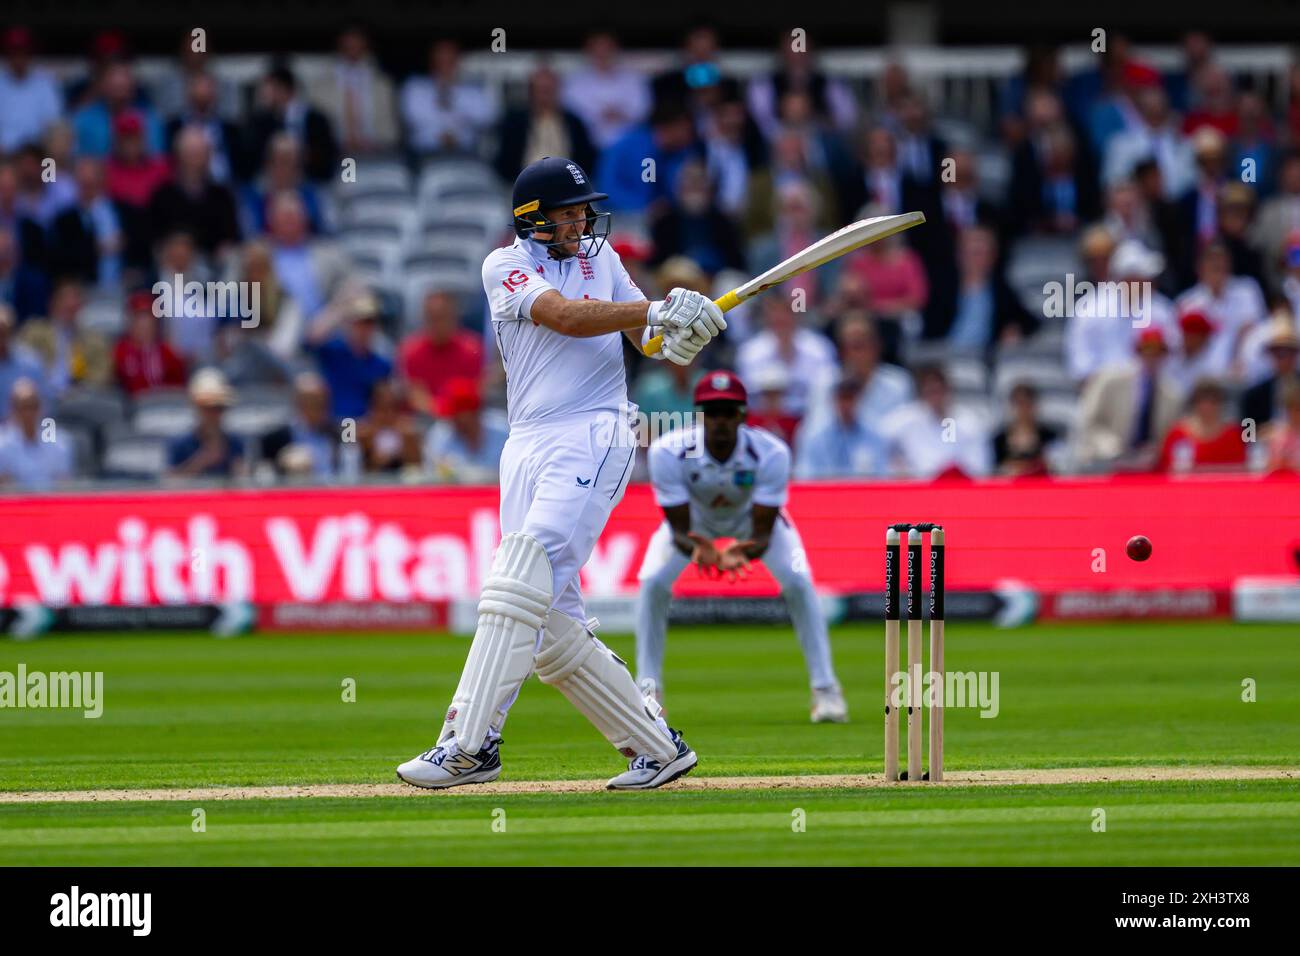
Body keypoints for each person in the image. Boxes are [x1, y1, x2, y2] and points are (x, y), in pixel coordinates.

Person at [395, 155, 726, 791]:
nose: (580, 220)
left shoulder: (600, 258)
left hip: (594, 432)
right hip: (526, 443)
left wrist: (683, 327)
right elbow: (569, 318)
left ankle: (468, 744)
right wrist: (654, 312)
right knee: (548, 621)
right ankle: (658, 748)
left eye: (582, 209)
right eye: (568, 211)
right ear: (533, 219)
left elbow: (649, 342)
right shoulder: (504, 265)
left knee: (522, 576)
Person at [636, 370, 847, 722]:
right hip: (695, 524)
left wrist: (740, 551)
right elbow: (678, 529)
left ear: (743, 415)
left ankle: (826, 692)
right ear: (699, 415)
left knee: (798, 580)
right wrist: (699, 549)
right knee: (652, 581)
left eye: (728, 411)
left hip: (751, 521)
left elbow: (763, 534)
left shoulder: (771, 453)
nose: (720, 421)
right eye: (712, 412)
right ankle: (648, 693)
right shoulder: (667, 452)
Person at [166, 368, 245, 479]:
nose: (215, 414)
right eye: (209, 408)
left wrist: (240, 473)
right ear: (197, 409)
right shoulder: (180, 444)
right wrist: (201, 462)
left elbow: (243, 483)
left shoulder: (235, 442)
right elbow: (168, 485)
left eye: (220, 408)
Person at [1155, 378, 1247, 472]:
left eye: (1213, 402)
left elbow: (1242, 468)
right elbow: (1164, 468)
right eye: (1202, 401)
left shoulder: (1233, 435)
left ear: (1221, 404)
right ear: (1194, 403)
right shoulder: (1177, 434)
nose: (1207, 407)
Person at [0, 377, 72, 491]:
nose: (29, 413)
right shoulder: (2, 446)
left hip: (51, 506)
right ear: (13, 410)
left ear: (41, 408)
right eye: (23, 407)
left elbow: (64, 486)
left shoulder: (59, 444)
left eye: (33, 406)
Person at [993, 383, 1060, 476]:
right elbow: (995, 471)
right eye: (1019, 404)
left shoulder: (1049, 436)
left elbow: (1054, 468)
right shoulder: (999, 439)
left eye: (1027, 403)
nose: (1023, 409)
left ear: (1034, 405)